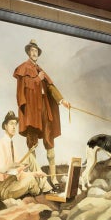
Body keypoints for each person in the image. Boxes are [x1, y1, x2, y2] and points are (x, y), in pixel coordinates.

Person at [13, 40, 71, 184]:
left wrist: (62, 100)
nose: (34, 53)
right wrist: (37, 80)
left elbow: (50, 87)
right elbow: (24, 88)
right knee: (32, 143)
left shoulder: (40, 69)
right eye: (32, 50)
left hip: (44, 107)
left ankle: (53, 180)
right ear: (28, 52)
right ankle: (35, 180)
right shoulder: (23, 68)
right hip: (32, 110)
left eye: (36, 51)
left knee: (48, 137)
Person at [0, 111, 52, 200]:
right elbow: (1, 170)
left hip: (13, 180)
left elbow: (19, 174)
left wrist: (35, 173)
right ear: (5, 126)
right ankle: (40, 193)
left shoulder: (12, 145)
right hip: (4, 187)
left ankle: (45, 188)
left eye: (15, 124)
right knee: (31, 180)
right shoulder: (0, 145)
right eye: (11, 124)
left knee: (30, 157)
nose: (14, 127)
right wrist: (17, 167)